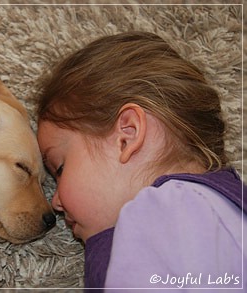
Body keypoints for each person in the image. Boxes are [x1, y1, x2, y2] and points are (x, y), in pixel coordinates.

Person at [36, 31, 246, 291]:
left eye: (60, 167)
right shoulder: (209, 211)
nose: (55, 202)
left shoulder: (173, 207)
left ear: (127, 136)